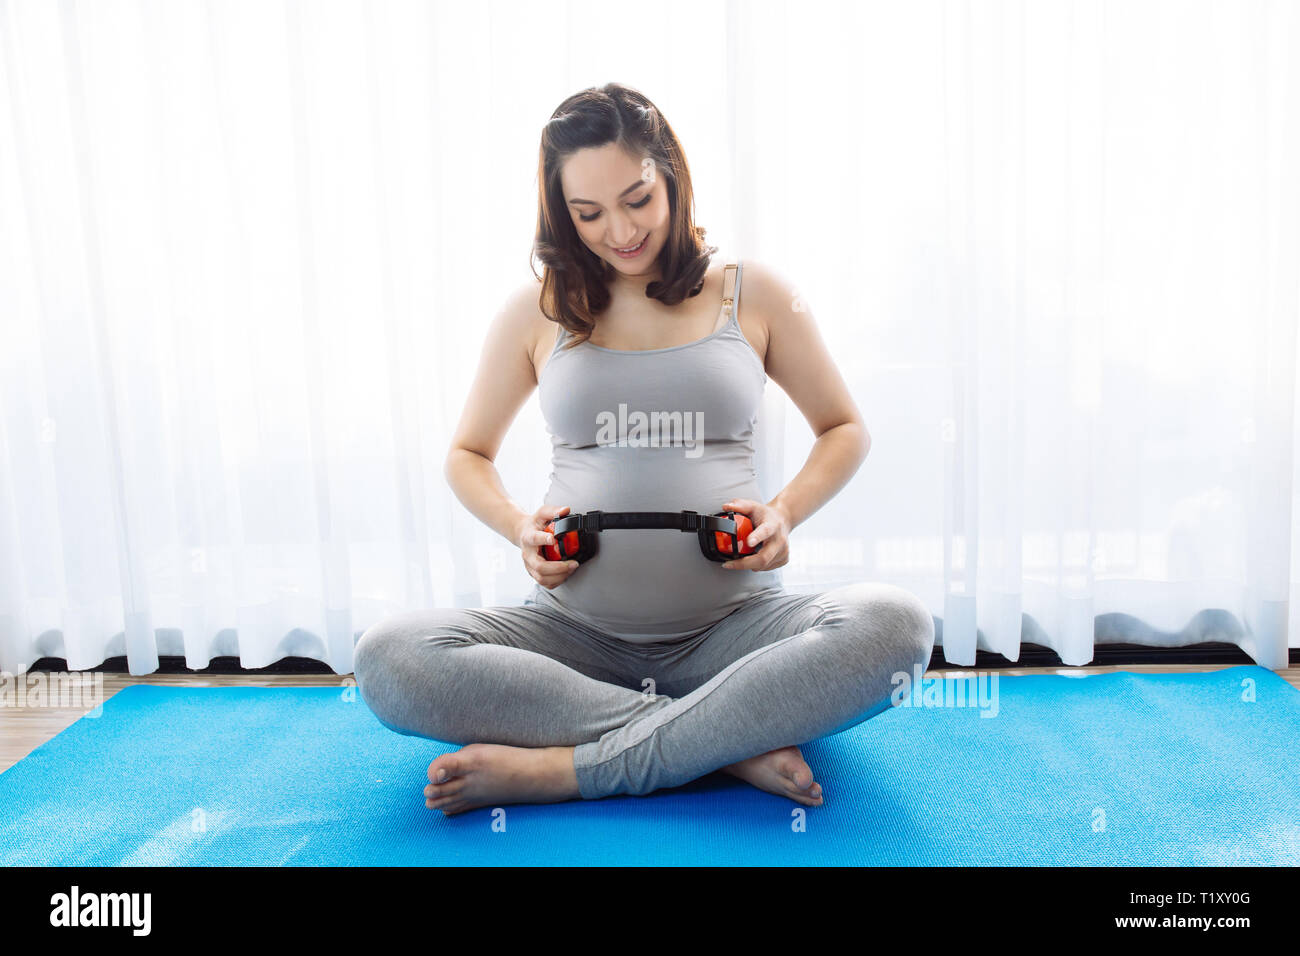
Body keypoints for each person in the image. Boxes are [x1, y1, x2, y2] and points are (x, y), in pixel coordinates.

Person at [353, 83, 934, 816]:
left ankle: (565, 770)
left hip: (738, 635)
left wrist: (784, 513)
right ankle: (723, 743)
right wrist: (518, 527)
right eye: (587, 213)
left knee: (899, 626)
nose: (620, 231)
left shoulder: (751, 295)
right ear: (560, 212)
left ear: (672, 177)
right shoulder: (536, 310)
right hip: (572, 640)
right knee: (387, 658)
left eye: (637, 200)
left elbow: (844, 428)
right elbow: (468, 453)